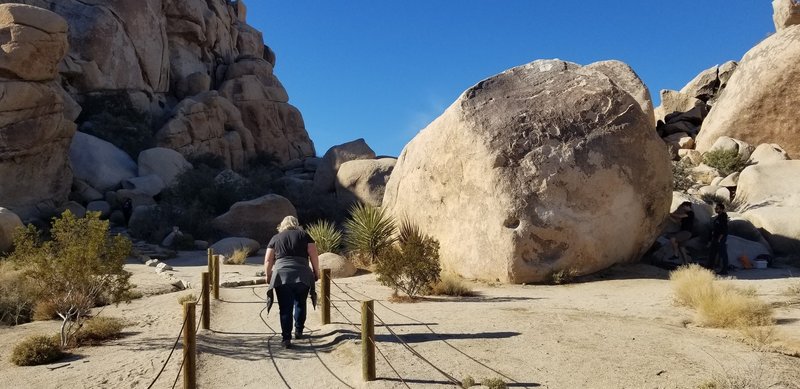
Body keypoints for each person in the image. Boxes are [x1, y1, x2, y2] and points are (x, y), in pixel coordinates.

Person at [265, 216, 321, 348]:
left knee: (285, 307)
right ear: (296, 224)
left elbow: (268, 260)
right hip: (302, 274)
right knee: (300, 303)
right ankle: (299, 330)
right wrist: (316, 272)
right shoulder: (305, 236)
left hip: (281, 276)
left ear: (282, 225)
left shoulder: (275, 238)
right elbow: (314, 256)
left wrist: (268, 276)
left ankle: (286, 338)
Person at [709, 202, 729, 275]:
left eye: (717, 208)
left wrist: (719, 239)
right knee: (712, 253)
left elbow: (724, 230)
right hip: (716, 238)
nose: (715, 209)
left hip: (720, 238)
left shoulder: (723, 217)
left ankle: (724, 270)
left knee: (723, 254)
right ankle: (710, 268)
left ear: (721, 209)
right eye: (715, 208)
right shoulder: (719, 217)